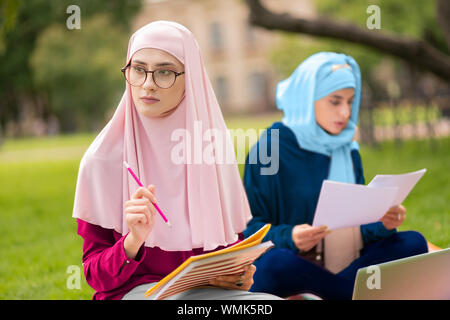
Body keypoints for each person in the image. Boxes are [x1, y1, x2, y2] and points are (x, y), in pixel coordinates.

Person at [72, 21, 281, 300]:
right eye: (138, 69)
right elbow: (95, 276)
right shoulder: (102, 160)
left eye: (165, 72)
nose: (148, 84)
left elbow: (232, 254)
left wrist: (239, 275)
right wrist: (132, 241)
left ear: (190, 78)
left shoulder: (210, 152)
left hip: (203, 295)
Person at [242, 52, 428, 300]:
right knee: (277, 264)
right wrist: (291, 236)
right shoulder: (270, 148)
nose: (345, 113)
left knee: (413, 242)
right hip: (296, 264)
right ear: (308, 98)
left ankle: (337, 292)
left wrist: (382, 223)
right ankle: (353, 292)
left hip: (346, 261)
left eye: (351, 102)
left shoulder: (346, 148)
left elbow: (356, 227)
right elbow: (248, 232)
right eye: (335, 101)